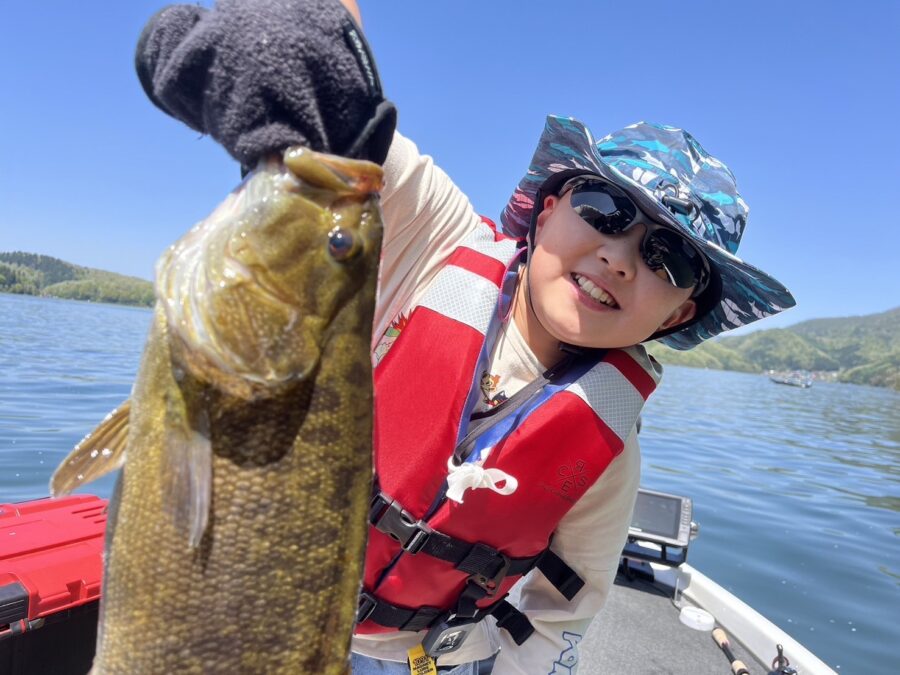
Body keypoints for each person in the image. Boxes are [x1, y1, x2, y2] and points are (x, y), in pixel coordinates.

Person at [134, 2, 796, 673]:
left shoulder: (610, 451)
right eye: (604, 209)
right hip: (268, 599)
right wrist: (308, 44)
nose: (619, 257)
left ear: (679, 314)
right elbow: (339, 128)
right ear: (546, 210)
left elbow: (560, 615)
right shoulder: (433, 237)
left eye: (669, 258)